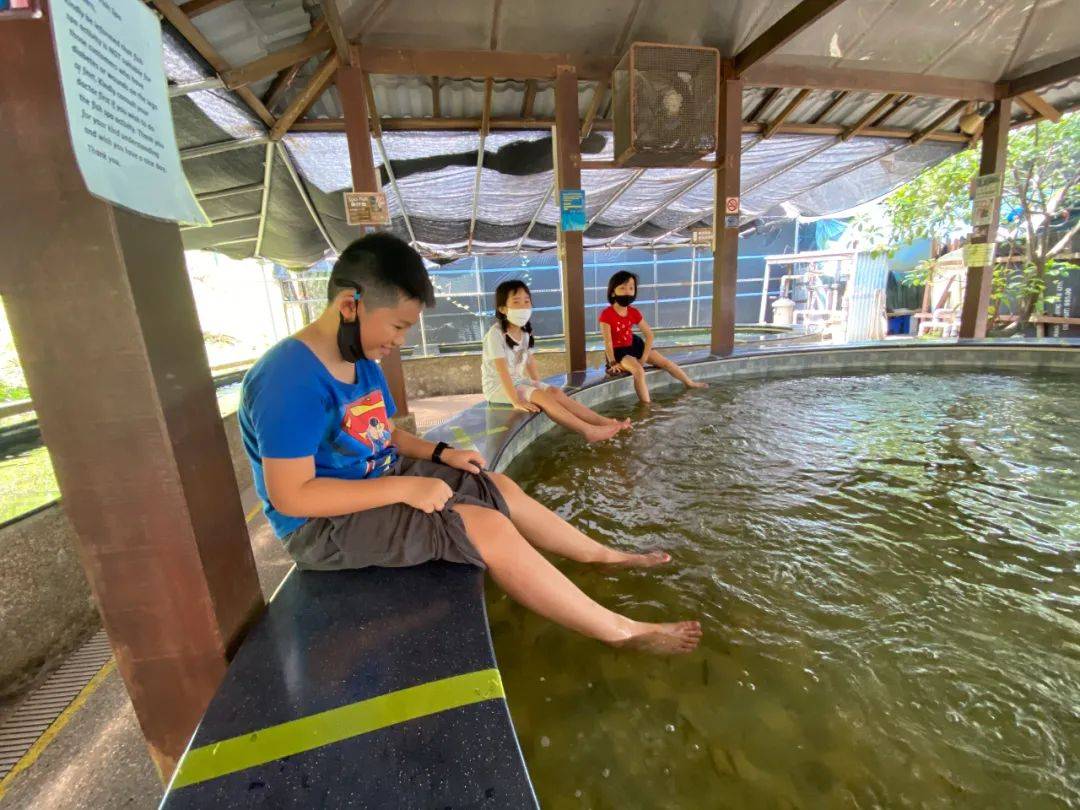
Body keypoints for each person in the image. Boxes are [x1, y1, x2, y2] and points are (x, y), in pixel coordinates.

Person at [239, 234, 701, 655]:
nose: (400, 342)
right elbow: (291, 495)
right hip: (322, 527)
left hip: (379, 478)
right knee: (486, 527)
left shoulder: (360, 360)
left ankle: (602, 555)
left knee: (494, 482)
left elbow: (382, 433)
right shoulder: (288, 380)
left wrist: (442, 454)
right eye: (398, 327)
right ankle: (622, 631)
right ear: (349, 305)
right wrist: (405, 490)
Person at [481, 279, 629, 442]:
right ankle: (588, 431)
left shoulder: (525, 332)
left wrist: (537, 383)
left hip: (517, 381)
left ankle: (603, 422)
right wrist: (516, 401)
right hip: (497, 387)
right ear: (503, 309)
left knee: (554, 392)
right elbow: (502, 371)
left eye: (527, 301)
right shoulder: (495, 335)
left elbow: (530, 361)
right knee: (541, 396)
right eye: (516, 302)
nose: (523, 306)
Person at [599, 270, 708, 404]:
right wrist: (613, 363)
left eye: (631, 288)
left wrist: (644, 358)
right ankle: (647, 406)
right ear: (613, 292)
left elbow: (649, 335)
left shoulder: (633, 312)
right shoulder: (606, 314)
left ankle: (690, 383)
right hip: (618, 351)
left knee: (665, 363)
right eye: (622, 288)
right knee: (638, 371)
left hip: (634, 344)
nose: (627, 291)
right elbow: (608, 342)